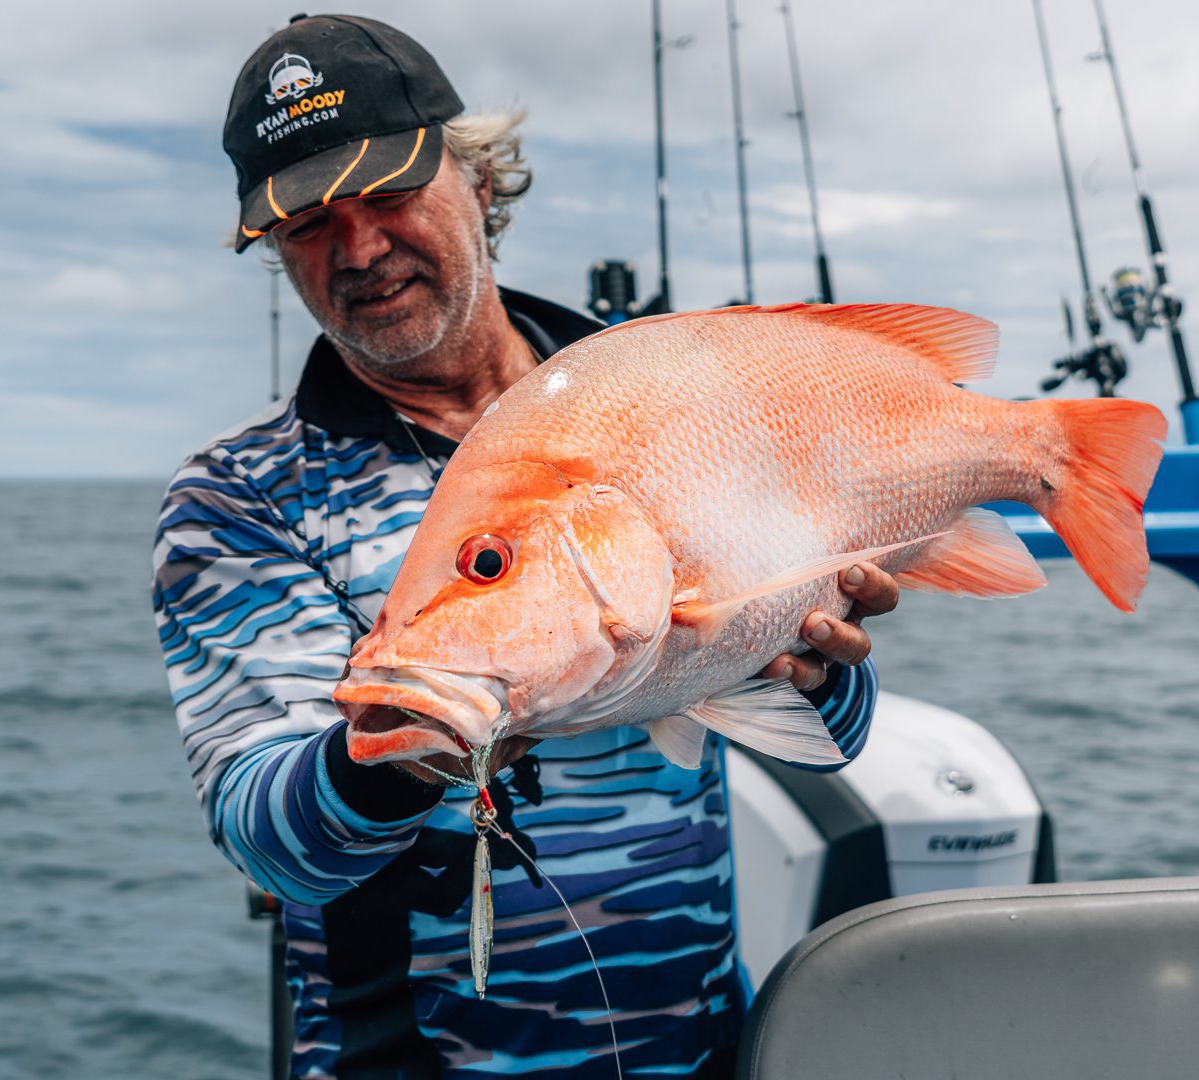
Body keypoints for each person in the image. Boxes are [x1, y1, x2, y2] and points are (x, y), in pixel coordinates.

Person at [153, 14, 896, 1078]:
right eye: (308, 220)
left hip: (702, 1052)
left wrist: (818, 663)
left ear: (479, 182)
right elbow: (267, 835)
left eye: (390, 191)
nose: (358, 248)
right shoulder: (237, 498)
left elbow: (835, 733)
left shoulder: (675, 403)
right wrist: (393, 763)